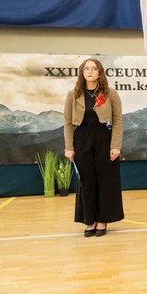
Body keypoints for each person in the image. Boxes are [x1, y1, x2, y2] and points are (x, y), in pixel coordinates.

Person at [63, 58, 124, 237]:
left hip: (105, 140)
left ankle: (102, 220)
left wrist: (116, 146)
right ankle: (89, 221)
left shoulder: (110, 93)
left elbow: (118, 121)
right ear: (82, 73)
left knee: (105, 181)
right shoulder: (73, 94)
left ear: (100, 72)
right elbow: (67, 122)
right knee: (86, 182)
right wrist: (69, 147)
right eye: (86, 69)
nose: (90, 71)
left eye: (94, 68)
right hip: (81, 141)